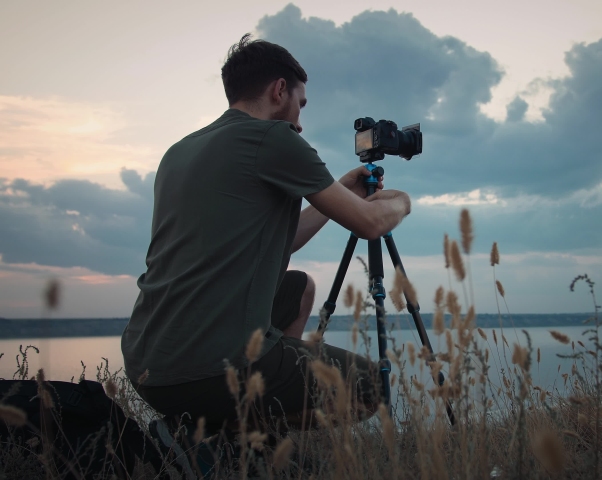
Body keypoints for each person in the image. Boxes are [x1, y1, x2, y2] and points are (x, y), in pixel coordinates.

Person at [121, 34, 411, 433]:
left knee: (297, 287)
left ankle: (214, 430)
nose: (300, 120)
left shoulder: (180, 151)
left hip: (147, 364)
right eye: (300, 103)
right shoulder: (274, 138)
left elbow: (276, 242)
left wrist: (340, 193)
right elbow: (371, 223)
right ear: (279, 90)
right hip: (209, 369)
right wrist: (401, 201)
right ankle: (224, 440)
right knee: (368, 388)